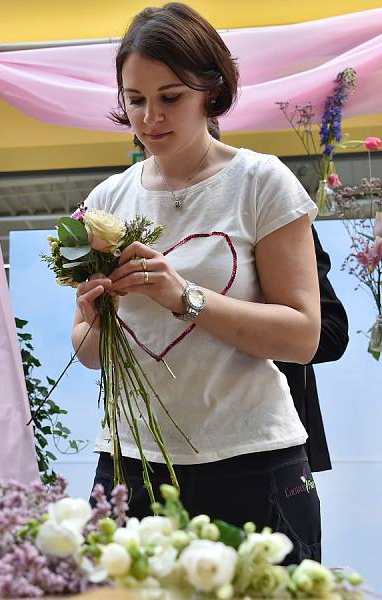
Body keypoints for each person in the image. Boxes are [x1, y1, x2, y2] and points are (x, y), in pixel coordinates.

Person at [76, 3, 322, 563]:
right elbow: (90, 354)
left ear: (211, 92)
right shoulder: (106, 201)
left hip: (251, 456)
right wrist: (93, 315)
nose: (148, 118)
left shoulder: (261, 182)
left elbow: (304, 336)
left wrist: (182, 296)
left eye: (170, 97)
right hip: (128, 463)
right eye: (134, 99)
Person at [134, 119, 350, 474]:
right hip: (153, 443)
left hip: (259, 440)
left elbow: (328, 334)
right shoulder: (127, 211)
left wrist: (219, 316)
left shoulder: (267, 207)